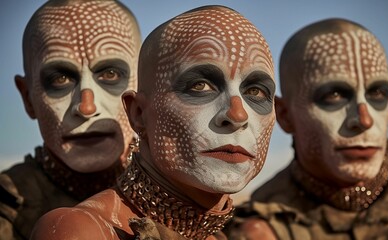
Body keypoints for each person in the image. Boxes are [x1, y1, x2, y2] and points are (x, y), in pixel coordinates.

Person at [30, 4, 276, 240]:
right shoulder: (84, 231)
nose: (237, 115)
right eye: (200, 86)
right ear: (138, 113)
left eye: (256, 92)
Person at [226, 18, 388, 240]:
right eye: (334, 95)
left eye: (377, 94)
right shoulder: (264, 231)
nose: (364, 120)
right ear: (284, 115)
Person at [0, 0, 141, 239]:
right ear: (27, 98)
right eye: (60, 79)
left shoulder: (193, 202)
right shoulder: (9, 205)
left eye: (110, 74)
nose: (86, 107)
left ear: (142, 87)